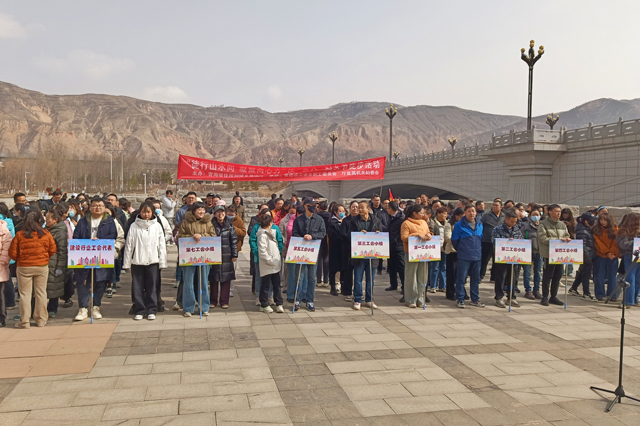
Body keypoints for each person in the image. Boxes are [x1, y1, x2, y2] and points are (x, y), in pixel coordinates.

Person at [71, 197, 118, 321]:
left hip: (102, 255)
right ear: (90, 207)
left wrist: (100, 240)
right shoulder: (83, 221)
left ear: (104, 207)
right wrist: (88, 242)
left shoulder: (109, 221)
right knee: (83, 282)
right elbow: (76, 236)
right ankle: (83, 308)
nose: (97, 208)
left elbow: (113, 235)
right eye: (95, 205)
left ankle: (96, 306)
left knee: (100, 282)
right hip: (84, 254)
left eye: (100, 206)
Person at [9, 210, 57, 328]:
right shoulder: (46, 234)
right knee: (41, 293)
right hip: (41, 266)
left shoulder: (20, 235)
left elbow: (12, 254)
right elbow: (52, 250)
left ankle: (24, 321)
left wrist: (21, 258)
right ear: (39, 220)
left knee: (25, 294)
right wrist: (44, 257)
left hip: (24, 267)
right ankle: (41, 320)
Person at [123, 202, 167, 320]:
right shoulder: (134, 226)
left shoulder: (157, 226)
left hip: (153, 261)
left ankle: (152, 309)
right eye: (144, 212)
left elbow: (161, 245)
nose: (146, 214)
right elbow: (129, 245)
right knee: (137, 287)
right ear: (140, 212)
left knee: (152, 286)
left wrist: (162, 261)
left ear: (152, 212)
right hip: (137, 261)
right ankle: (140, 309)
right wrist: (126, 263)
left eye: (148, 212)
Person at [176, 202, 216, 317]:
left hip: (204, 256)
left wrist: (202, 236)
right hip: (189, 256)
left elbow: (213, 236)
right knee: (188, 282)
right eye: (199, 209)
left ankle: (204, 307)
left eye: (203, 209)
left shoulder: (208, 222)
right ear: (193, 211)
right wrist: (192, 237)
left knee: (203, 282)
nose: (202, 212)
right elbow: (179, 237)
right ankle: (188, 307)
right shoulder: (185, 222)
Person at [346, 200, 382, 310]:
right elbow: (349, 234)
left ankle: (369, 299)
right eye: (359, 207)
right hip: (359, 254)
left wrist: (378, 233)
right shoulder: (354, 221)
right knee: (358, 278)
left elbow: (382, 233)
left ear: (368, 209)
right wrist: (358, 234)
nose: (359, 209)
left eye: (362, 207)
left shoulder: (376, 220)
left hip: (372, 254)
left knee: (370, 279)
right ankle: (358, 299)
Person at [291, 199, 326, 312]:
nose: (314, 207)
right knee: (300, 277)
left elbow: (323, 233)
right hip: (301, 251)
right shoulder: (298, 220)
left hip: (313, 251)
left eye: (315, 205)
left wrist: (312, 236)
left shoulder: (319, 219)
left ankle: (310, 300)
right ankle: (298, 299)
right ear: (306, 206)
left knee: (311, 278)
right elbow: (294, 233)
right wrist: (303, 237)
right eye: (312, 205)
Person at [537, 204, 572, 306]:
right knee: (547, 277)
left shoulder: (562, 225)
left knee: (558, 276)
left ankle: (553, 297)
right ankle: (544, 297)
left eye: (559, 211)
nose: (559, 213)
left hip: (560, 255)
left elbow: (567, 235)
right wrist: (558, 240)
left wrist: (567, 239)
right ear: (550, 212)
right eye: (556, 211)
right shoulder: (543, 224)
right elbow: (543, 238)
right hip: (549, 254)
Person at [451, 205, 485, 309]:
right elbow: (454, 240)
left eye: (473, 211)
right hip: (464, 256)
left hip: (477, 256)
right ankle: (460, 299)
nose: (471, 213)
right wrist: (462, 250)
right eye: (469, 211)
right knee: (461, 279)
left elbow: (480, 238)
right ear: (465, 213)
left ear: (476, 212)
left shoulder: (480, 224)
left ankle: (475, 299)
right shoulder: (459, 225)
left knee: (475, 279)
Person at [490, 208, 523, 308]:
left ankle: (511, 297)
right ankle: (499, 297)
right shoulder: (498, 229)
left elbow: (521, 240)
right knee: (500, 278)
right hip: (502, 258)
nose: (513, 223)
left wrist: (517, 241)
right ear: (506, 219)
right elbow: (494, 241)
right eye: (512, 221)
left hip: (514, 258)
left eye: (515, 221)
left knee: (513, 278)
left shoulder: (517, 229)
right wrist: (507, 241)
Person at [400, 204, 431, 308]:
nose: (423, 214)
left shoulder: (423, 222)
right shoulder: (406, 223)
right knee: (411, 276)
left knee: (422, 276)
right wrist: (416, 235)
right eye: (421, 212)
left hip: (423, 252)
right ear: (414, 213)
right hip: (411, 252)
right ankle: (411, 299)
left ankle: (420, 299)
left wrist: (429, 234)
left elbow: (427, 232)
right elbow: (404, 237)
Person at [209, 205, 238, 309]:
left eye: (222, 212)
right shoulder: (210, 225)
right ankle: (213, 300)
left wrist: (234, 254)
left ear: (225, 213)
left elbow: (234, 241)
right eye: (218, 212)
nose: (220, 214)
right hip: (214, 255)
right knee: (214, 279)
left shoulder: (229, 225)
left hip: (227, 255)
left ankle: (224, 301)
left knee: (226, 279)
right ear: (214, 213)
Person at [257, 213, 284, 313]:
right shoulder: (262, 235)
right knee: (265, 285)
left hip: (275, 264)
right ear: (270, 223)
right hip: (268, 264)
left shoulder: (271, 232)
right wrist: (270, 260)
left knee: (277, 284)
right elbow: (262, 252)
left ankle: (279, 303)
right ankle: (264, 304)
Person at [44, 207, 68, 317]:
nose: (46, 220)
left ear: (55, 220)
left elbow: (62, 251)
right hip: (47, 262)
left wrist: (60, 267)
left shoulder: (60, 232)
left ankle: (52, 309)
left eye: (48, 218)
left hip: (55, 263)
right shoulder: (46, 230)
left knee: (55, 286)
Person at [592, 212, 619, 301]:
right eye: (601, 220)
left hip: (613, 256)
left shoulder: (615, 229)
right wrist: (607, 252)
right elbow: (598, 243)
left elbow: (616, 242)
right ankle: (600, 294)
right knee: (599, 275)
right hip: (600, 255)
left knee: (612, 276)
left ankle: (612, 295)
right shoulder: (596, 229)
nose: (602, 222)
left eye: (605, 220)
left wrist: (612, 253)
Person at [569, 213, 597, 300]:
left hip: (589, 254)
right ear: (586, 221)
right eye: (591, 221)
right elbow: (582, 246)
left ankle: (573, 288)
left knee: (582, 273)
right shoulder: (582, 231)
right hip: (586, 255)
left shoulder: (586, 229)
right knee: (586, 275)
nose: (593, 222)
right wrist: (587, 258)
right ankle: (586, 293)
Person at [617, 213, 640, 308]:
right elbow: (623, 244)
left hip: (639, 256)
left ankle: (634, 299)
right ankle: (627, 301)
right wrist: (636, 242)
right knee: (630, 278)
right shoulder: (623, 231)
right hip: (630, 256)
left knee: (638, 279)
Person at [480, 200, 504, 281]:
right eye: (493, 205)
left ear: (501, 207)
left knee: (496, 261)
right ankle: (481, 275)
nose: (494, 207)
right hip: (487, 241)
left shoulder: (504, 217)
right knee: (484, 260)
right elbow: (480, 226)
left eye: (496, 205)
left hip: (499, 243)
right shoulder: (486, 216)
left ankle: (493, 277)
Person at [521, 209, 543, 300]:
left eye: (537, 215)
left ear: (540, 216)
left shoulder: (542, 226)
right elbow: (521, 237)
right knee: (527, 272)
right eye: (533, 215)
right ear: (529, 216)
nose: (535, 217)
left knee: (538, 272)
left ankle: (536, 290)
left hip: (539, 252)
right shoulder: (525, 226)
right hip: (528, 252)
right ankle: (528, 290)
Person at [340, 201, 359, 300]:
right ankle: (347, 291)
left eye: (356, 207)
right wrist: (353, 238)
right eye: (353, 206)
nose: (355, 208)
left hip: (359, 249)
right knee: (348, 269)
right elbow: (342, 233)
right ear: (350, 208)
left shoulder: (361, 220)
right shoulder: (346, 220)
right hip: (348, 248)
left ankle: (358, 291)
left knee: (359, 270)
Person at [444, 207, 464, 301]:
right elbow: (448, 237)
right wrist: (459, 241)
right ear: (456, 216)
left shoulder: (465, 224)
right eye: (461, 217)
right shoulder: (449, 224)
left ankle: (461, 291)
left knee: (461, 274)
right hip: (452, 251)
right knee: (451, 273)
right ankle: (450, 293)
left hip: (462, 252)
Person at [385, 201, 405, 294]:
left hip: (398, 246)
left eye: (388, 208)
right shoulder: (390, 217)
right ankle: (393, 284)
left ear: (391, 209)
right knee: (391, 267)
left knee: (401, 267)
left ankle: (404, 286)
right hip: (390, 245)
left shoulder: (401, 218)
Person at [327, 204, 346, 296]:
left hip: (344, 249)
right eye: (340, 211)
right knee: (333, 269)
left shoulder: (345, 221)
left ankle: (343, 286)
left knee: (343, 268)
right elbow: (333, 236)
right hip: (335, 249)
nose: (342, 213)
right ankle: (333, 286)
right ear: (335, 212)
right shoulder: (332, 223)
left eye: (343, 211)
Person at [428, 207, 448, 293]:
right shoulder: (433, 223)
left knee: (443, 267)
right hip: (436, 247)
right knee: (435, 267)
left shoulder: (447, 223)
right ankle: (433, 286)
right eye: (444, 214)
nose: (445, 216)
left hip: (445, 248)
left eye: (446, 214)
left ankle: (442, 286)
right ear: (438, 214)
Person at [315, 201, 331, 287]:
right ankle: (326, 280)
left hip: (318, 238)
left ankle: (318, 280)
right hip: (328, 239)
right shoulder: (330, 216)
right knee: (326, 259)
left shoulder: (316, 216)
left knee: (319, 259)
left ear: (319, 207)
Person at [0, 220, 12, 327]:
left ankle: (1, 318)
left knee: (0, 294)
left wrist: (2, 262)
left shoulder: (4, 230)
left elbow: (7, 248)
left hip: (0, 267)